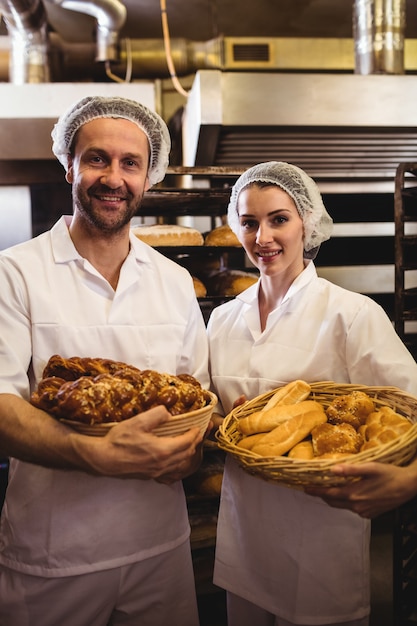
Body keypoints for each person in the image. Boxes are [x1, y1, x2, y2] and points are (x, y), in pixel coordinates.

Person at [0, 96, 210, 626]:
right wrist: (94, 454)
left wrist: (189, 454)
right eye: (97, 159)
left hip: (160, 548)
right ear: (69, 164)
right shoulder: (15, 273)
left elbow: (196, 399)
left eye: (130, 163)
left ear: (149, 176)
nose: (113, 177)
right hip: (52, 558)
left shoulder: (174, 281)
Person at [206, 161, 417, 626]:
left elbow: (410, 404)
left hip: (321, 540)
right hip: (244, 537)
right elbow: (214, 414)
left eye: (278, 219)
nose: (262, 237)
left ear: (308, 221)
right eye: (248, 221)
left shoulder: (350, 314)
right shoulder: (223, 319)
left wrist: (410, 479)